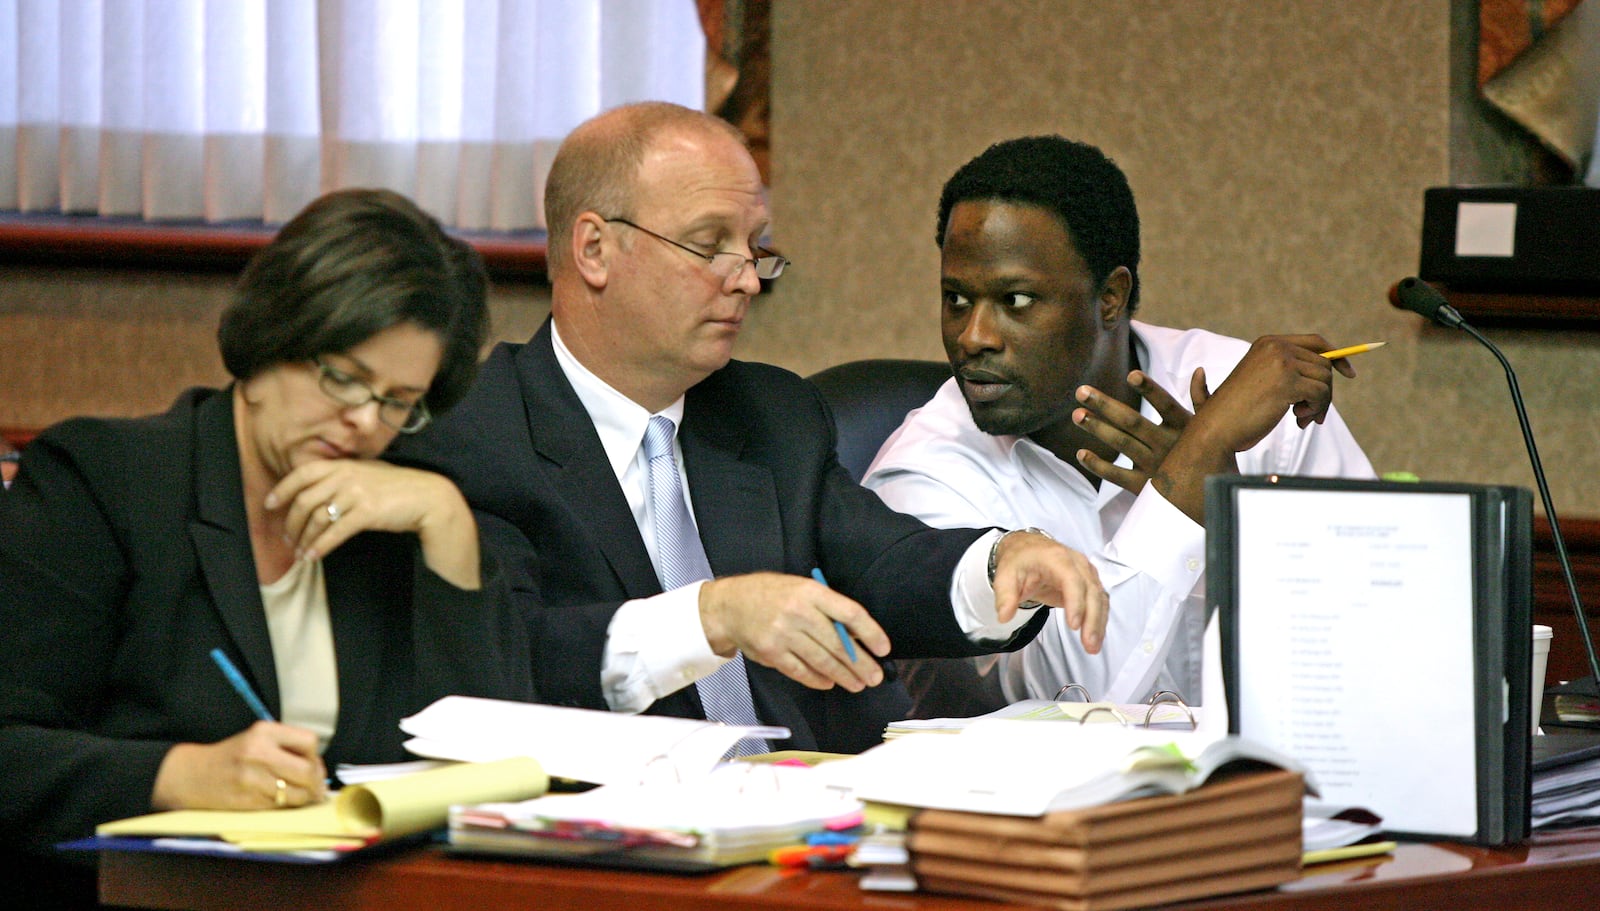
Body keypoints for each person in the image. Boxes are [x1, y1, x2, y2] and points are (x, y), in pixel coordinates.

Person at [389, 102, 1109, 757]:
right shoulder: (471, 433)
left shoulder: (769, 414)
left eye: (755, 246)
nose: (747, 279)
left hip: (816, 807)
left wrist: (997, 565)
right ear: (595, 249)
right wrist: (711, 615)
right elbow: (502, 659)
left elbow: (886, 559)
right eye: (710, 245)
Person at [0, 188, 534, 908]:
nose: (363, 421)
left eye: (398, 402)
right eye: (342, 377)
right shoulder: (105, 482)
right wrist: (180, 772)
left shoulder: (394, 514)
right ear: (269, 338)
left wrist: (448, 527)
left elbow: (489, 768)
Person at [864, 136, 1375, 715]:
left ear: (1111, 297)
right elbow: (1070, 705)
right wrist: (1189, 476)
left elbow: (1375, 631)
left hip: (1273, 786)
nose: (974, 335)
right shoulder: (922, 476)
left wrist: (1242, 526)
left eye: (1016, 299)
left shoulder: (1254, 392)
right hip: (1043, 800)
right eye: (956, 298)